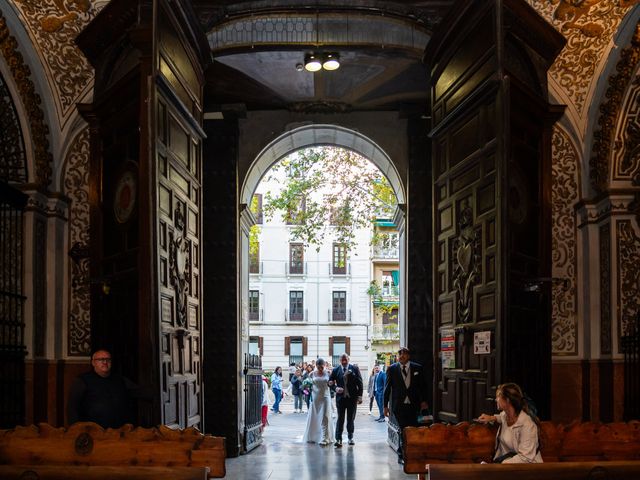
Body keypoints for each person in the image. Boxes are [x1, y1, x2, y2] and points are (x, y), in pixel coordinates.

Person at [67, 349, 137, 428]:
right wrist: (75, 429)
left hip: (118, 432)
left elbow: (138, 391)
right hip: (92, 432)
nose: (105, 362)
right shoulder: (82, 380)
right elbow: (72, 408)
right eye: (101, 359)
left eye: (108, 359)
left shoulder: (120, 379)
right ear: (93, 363)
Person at [476, 383, 543, 464]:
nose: (496, 399)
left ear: (507, 400)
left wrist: (500, 466)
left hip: (528, 470)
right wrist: (491, 418)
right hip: (508, 467)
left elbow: (525, 458)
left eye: (498, 396)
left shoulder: (527, 425)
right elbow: (501, 417)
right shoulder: (506, 415)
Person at [384, 347, 428, 464]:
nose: (401, 356)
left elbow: (423, 387)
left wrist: (424, 401)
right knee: (403, 429)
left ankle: (410, 453)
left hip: (414, 404)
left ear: (408, 356)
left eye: (404, 354)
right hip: (399, 406)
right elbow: (387, 388)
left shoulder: (417, 368)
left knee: (412, 429)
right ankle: (401, 455)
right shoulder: (392, 369)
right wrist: (385, 406)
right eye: (400, 354)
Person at [329, 353, 363, 447]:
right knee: (340, 418)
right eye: (342, 360)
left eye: (345, 360)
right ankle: (338, 439)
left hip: (352, 398)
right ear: (339, 360)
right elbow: (330, 382)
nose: (344, 361)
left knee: (351, 418)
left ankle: (350, 437)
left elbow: (360, 383)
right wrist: (335, 388)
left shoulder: (354, 368)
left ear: (348, 359)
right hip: (340, 399)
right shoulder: (336, 370)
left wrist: (360, 396)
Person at [302, 358, 335, 446]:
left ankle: (325, 438)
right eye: (319, 367)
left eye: (322, 367)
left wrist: (331, 384)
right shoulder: (312, 374)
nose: (320, 369)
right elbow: (307, 385)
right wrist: (307, 387)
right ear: (316, 366)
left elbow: (332, 384)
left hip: (325, 396)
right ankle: (313, 436)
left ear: (324, 365)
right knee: (315, 416)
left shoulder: (328, 373)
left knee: (325, 416)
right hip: (315, 397)